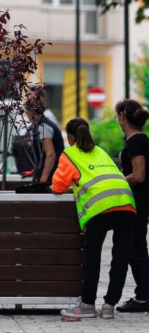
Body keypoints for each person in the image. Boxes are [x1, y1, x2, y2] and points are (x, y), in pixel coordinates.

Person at [52, 118, 136, 319]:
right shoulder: (100, 151)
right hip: (125, 200)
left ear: (70, 137)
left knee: (92, 255)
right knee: (120, 256)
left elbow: (57, 186)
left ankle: (88, 304)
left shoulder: (70, 154)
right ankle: (109, 307)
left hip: (100, 206)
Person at [114, 100, 149, 313]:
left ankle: (144, 297)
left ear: (123, 116)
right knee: (135, 247)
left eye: (117, 116)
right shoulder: (140, 139)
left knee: (135, 248)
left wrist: (114, 181)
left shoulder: (136, 141)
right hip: (138, 203)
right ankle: (143, 294)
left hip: (137, 204)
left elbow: (138, 175)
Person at [24, 94, 64, 183]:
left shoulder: (43, 127)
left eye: (26, 110)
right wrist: (35, 171)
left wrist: (43, 179)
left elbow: (51, 155)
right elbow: (42, 154)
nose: (26, 113)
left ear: (32, 112)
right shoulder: (39, 125)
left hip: (52, 176)